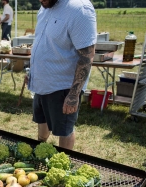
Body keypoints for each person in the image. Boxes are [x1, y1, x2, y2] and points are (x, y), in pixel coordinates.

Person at [26, 0, 96, 150]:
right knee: (42, 121)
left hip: (62, 86)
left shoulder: (79, 9)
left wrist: (74, 94)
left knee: (64, 130)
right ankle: (40, 150)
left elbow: (86, 56)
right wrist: (33, 71)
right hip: (41, 83)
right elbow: (44, 41)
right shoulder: (45, 6)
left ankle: (64, 164)